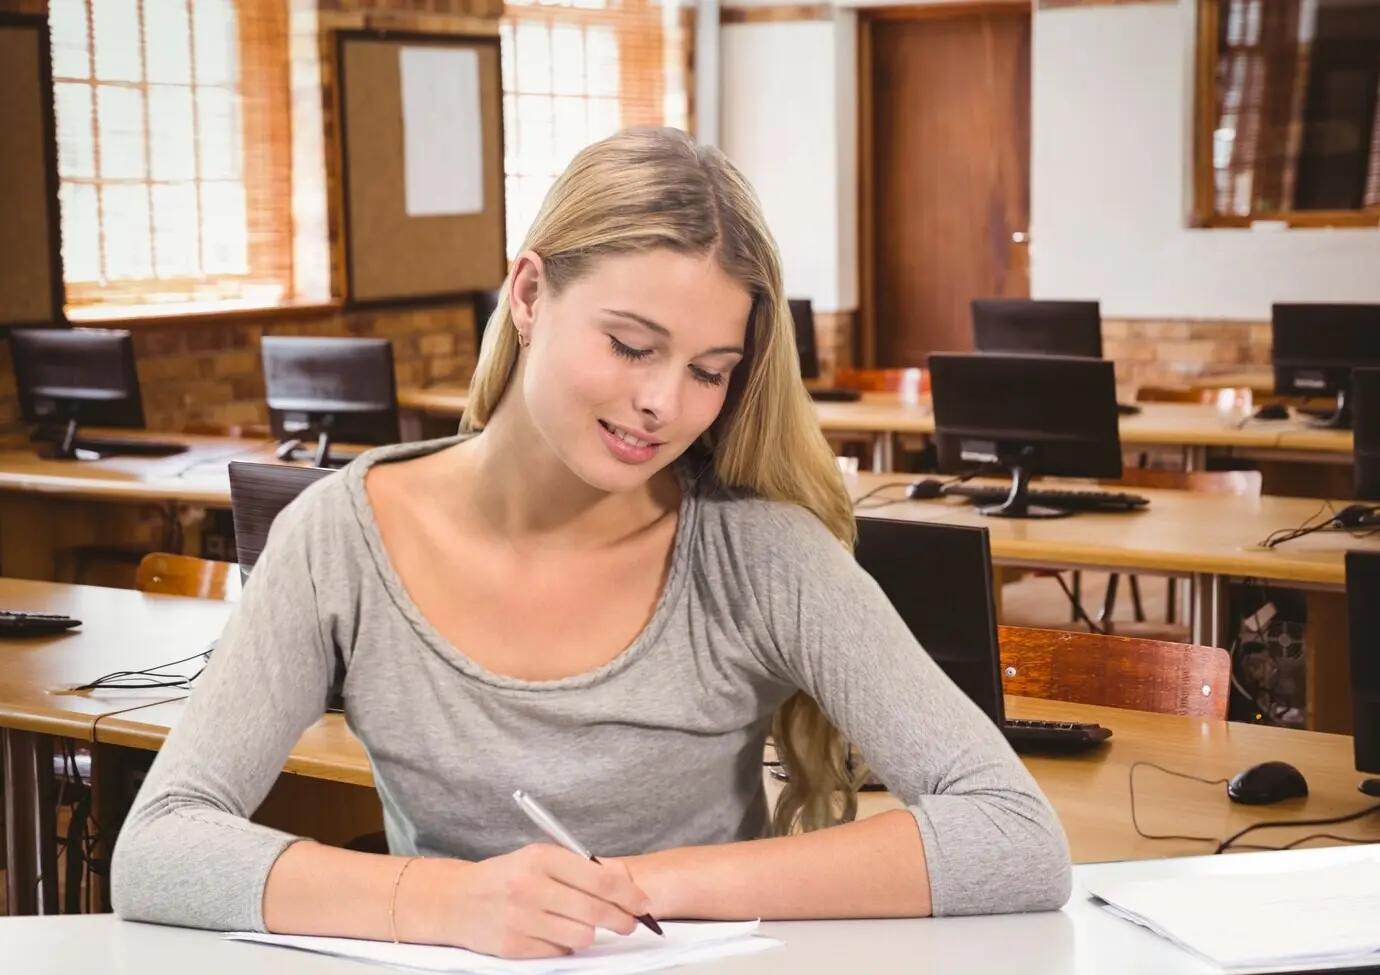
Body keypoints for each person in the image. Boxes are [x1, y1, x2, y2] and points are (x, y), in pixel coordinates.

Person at [110, 127, 1071, 957]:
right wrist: (452, 902)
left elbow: (1015, 836)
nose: (663, 403)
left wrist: (640, 887)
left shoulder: (760, 555)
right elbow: (159, 846)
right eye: (629, 345)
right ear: (528, 294)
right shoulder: (340, 537)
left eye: (708, 370)